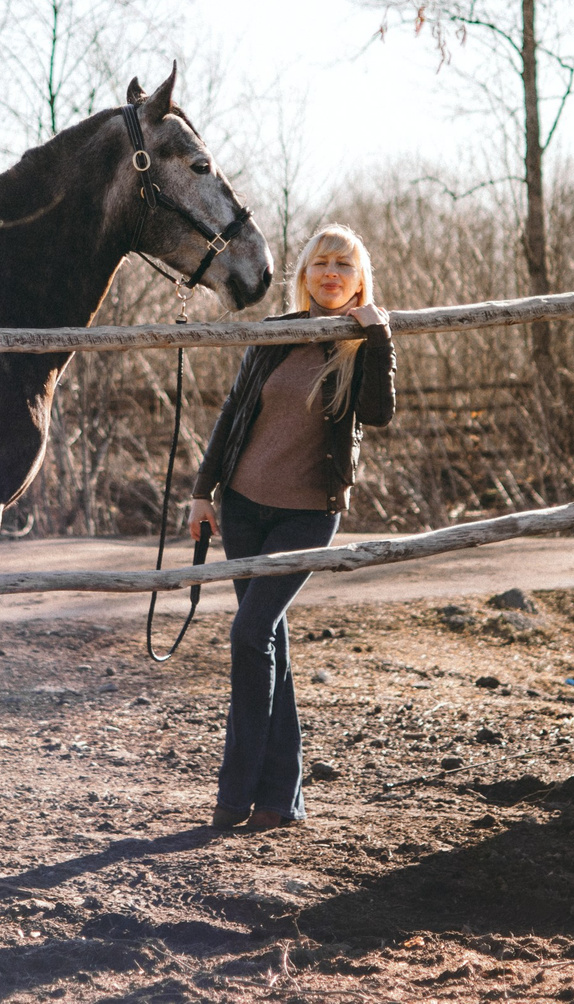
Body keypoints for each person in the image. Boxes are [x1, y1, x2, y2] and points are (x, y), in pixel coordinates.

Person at [185, 223, 395, 830]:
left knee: (249, 637)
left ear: (359, 282)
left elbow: (379, 414)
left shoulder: (360, 343)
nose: (332, 273)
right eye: (321, 262)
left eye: (345, 265)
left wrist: (378, 337)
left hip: (308, 515)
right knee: (266, 642)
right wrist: (204, 494)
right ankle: (281, 800)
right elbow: (233, 413)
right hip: (245, 509)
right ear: (304, 274)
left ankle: (234, 795)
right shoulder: (276, 334)